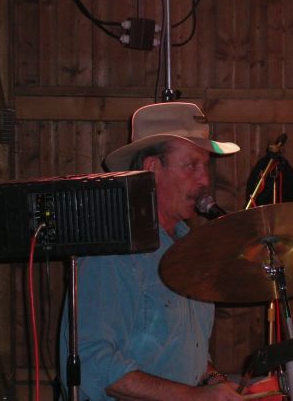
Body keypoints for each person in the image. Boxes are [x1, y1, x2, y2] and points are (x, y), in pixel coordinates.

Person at [59, 102, 244, 401]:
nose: (205, 180)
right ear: (152, 169)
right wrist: (193, 397)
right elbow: (91, 364)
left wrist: (216, 380)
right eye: (191, 166)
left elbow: (180, 351)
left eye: (205, 166)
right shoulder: (113, 253)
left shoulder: (188, 246)